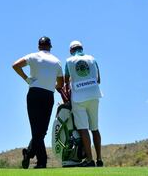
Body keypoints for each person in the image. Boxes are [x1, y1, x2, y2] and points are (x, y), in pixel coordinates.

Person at [12, 36, 66, 169]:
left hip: (34, 94)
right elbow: (61, 83)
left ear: (39, 46)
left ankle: (29, 153)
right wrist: (53, 84)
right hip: (48, 95)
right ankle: (41, 161)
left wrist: (26, 79)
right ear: (50, 47)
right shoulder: (57, 61)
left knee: (38, 130)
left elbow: (15, 65)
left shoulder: (33, 56)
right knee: (41, 130)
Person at [64, 40, 104, 167]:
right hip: (94, 95)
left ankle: (89, 160)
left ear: (71, 51)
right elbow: (98, 80)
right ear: (82, 48)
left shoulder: (69, 61)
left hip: (78, 98)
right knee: (95, 128)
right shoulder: (92, 58)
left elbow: (66, 82)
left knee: (83, 129)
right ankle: (99, 159)